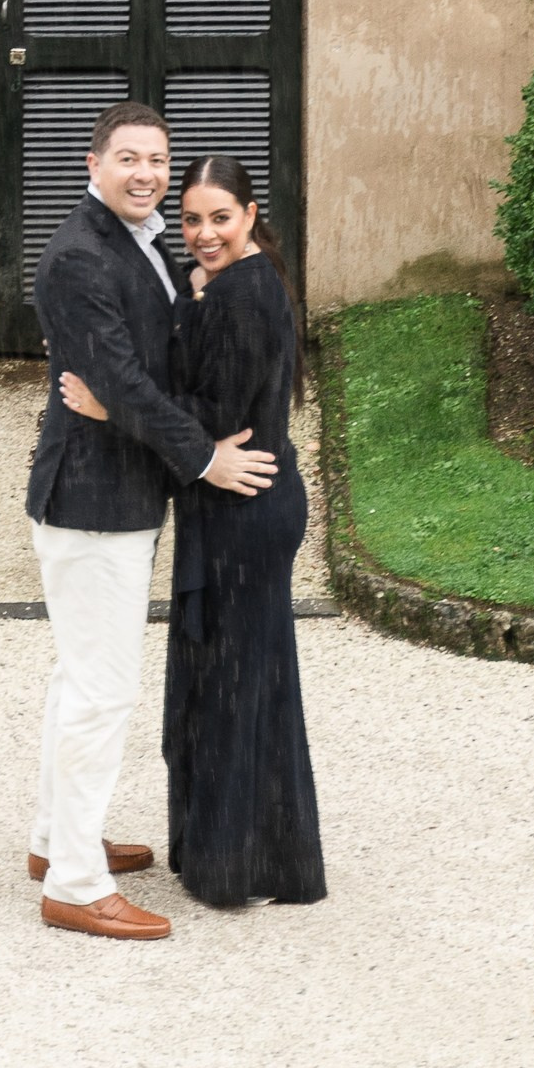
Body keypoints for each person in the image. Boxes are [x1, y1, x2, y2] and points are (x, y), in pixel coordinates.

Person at [25, 101, 282, 943]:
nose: (146, 174)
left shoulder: (147, 244)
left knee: (78, 680)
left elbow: (152, 359)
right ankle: (74, 882)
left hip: (122, 494)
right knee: (102, 690)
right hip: (93, 502)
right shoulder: (76, 257)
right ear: (91, 164)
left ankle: (53, 839)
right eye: (128, 157)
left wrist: (200, 292)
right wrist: (208, 458)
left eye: (157, 160)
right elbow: (127, 384)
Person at [61, 150, 325, 911]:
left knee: (234, 688)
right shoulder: (230, 284)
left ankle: (235, 867)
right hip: (239, 507)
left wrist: (113, 408)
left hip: (246, 509)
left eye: (219, 218)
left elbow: (214, 414)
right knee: (242, 684)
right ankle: (258, 859)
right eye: (191, 220)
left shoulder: (245, 295)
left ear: (249, 216)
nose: (204, 233)